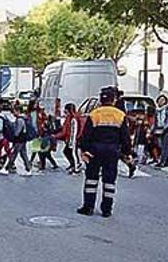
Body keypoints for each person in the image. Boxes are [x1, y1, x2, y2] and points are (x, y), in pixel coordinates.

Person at [76, 87, 131, 218]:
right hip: (112, 152)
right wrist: (127, 152)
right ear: (114, 100)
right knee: (109, 181)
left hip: (94, 151)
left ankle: (88, 207)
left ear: (101, 100)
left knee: (91, 180)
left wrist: (84, 150)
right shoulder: (120, 115)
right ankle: (106, 209)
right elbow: (125, 137)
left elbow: (86, 135)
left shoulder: (94, 114)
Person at [1, 104, 32, 175]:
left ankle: (7, 168)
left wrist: (14, 136)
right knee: (23, 154)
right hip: (23, 139)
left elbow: (17, 131)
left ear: (18, 111)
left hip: (19, 139)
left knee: (14, 154)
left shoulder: (20, 119)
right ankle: (28, 169)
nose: (13, 113)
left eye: (14, 111)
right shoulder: (23, 118)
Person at [54, 103, 82, 173]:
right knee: (67, 151)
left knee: (73, 153)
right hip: (70, 139)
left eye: (66, 111)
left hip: (73, 139)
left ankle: (76, 167)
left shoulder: (73, 119)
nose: (65, 113)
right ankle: (74, 165)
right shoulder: (70, 118)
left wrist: (72, 141)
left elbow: (74, 131)